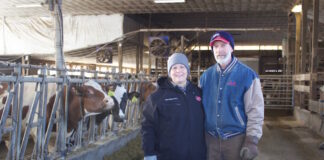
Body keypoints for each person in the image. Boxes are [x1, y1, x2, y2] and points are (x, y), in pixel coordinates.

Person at [199, 31, 264, 160]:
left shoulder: (247, 76)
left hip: (236, 140)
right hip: (210, 140)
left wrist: (251, 140)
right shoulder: (205, 76)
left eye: (223, 45)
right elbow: (199, 108)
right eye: (215, 47)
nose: (219, 50)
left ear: (232, 48)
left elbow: (255, 110)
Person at [141, 53, 206, 160]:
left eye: (182, 67)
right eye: (174, 67)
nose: (178, 71)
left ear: (187, 70)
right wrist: (149, 153)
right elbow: (148, 126)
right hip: (169, 155)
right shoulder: (157, 97)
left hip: (197, 154)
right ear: (169, 72)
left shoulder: (198, 93)